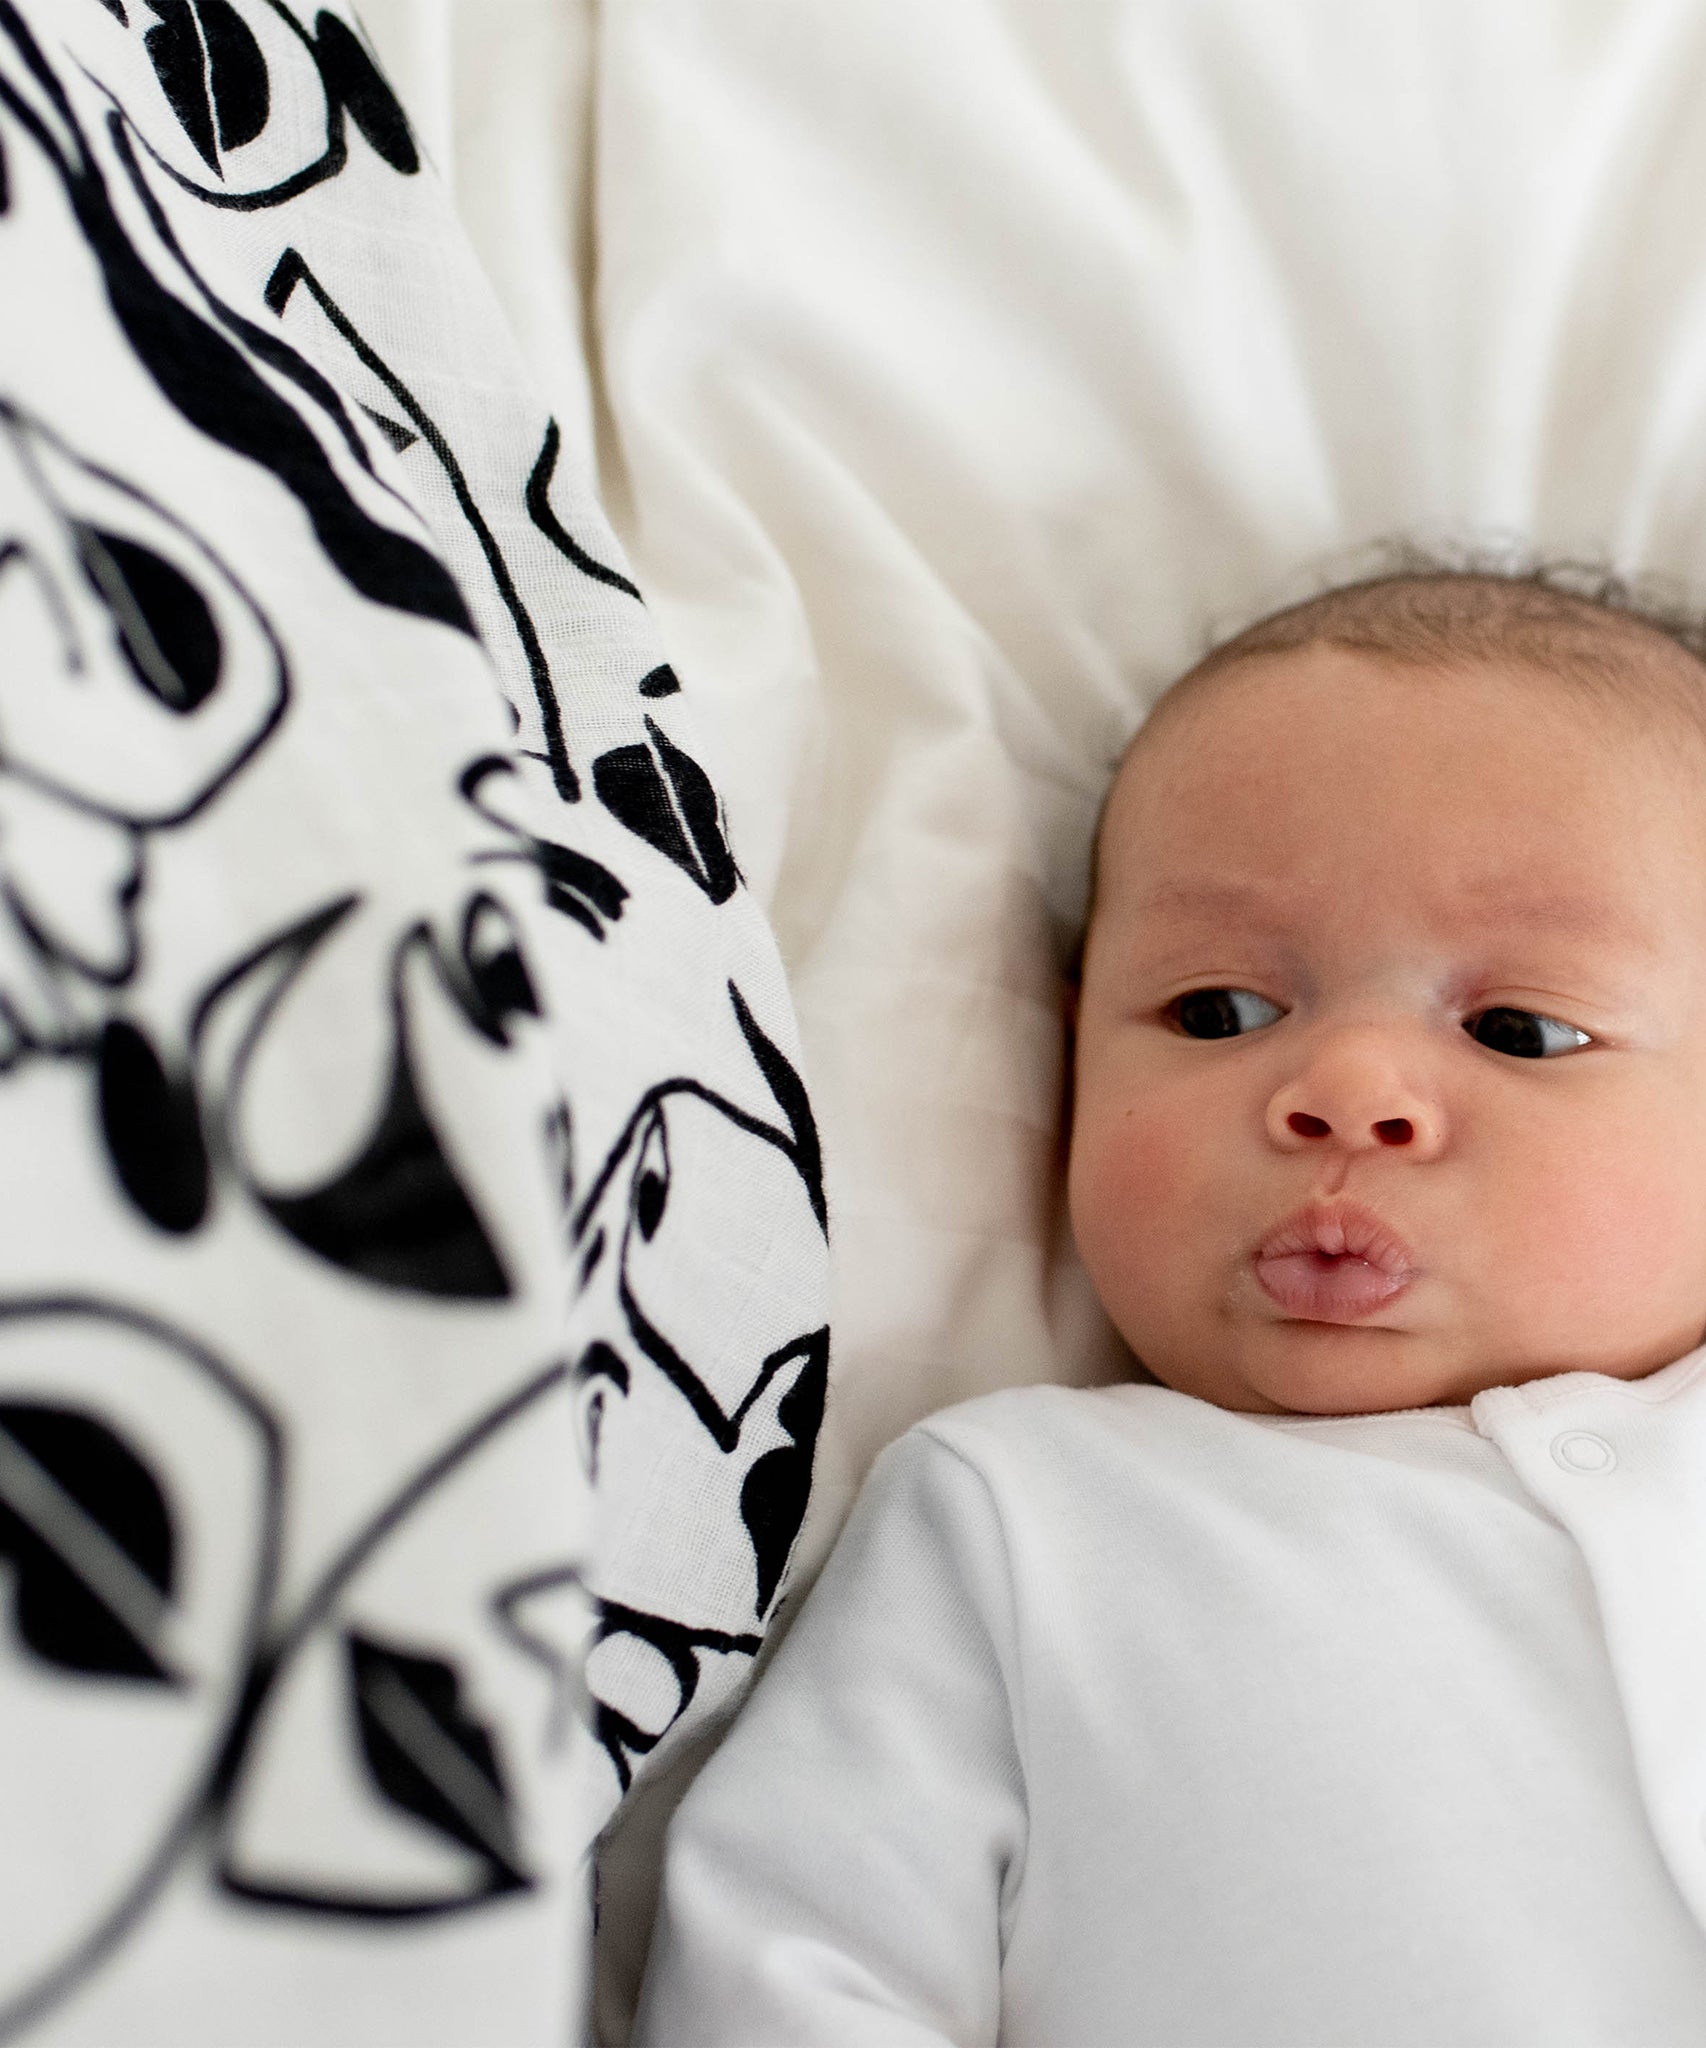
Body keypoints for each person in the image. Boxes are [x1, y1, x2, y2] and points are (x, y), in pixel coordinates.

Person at [632, 572, 1706, 2046]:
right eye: (1219, 1013)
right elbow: (793, 1962)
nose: (1344, 1093)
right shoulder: (1026, 1517)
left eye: (1519, 1030)